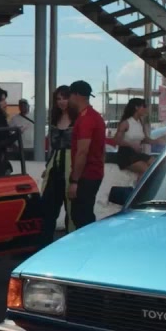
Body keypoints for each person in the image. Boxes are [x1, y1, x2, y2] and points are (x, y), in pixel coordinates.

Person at [66, 80, 105, 229]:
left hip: (86, 175)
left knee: (81, 217)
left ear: (76, 95)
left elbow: (82, 152)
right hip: (94, 173)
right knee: (83, 214)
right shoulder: (94, 116)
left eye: (69, 95)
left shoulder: (86, 119)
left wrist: (74, 181)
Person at [37, 86, 73, 245]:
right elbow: (52, 147)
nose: (62, 102)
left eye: (65, 98)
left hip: (72, 167)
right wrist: (48, 167)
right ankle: (44, 246)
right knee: (47, 209)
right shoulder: (54, 118)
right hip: (54, 167)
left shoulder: (79, 118)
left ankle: (71, 247)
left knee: (72, 210)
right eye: (58, 99)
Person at [113, 97, 153, 182]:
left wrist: (159, 141)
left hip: (136, 154)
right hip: (126, 155)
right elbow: (116, 140)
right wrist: (131, 145)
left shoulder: (140, 123)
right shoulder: (126, 123)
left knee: (155, 163)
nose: (145, 109)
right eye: (144, 106)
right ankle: (140, 189)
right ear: (136, 107)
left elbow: (144, 139)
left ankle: (139, 185)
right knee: (146, 170)